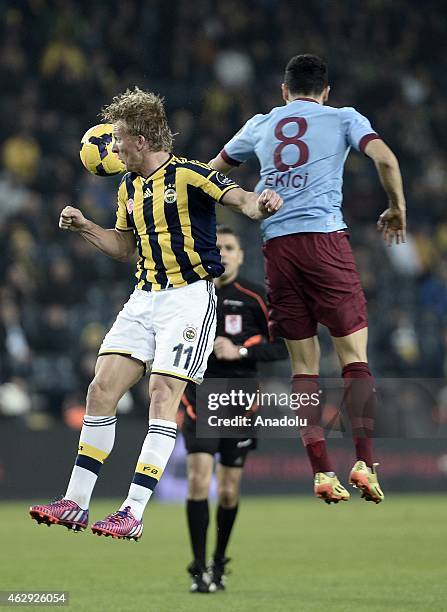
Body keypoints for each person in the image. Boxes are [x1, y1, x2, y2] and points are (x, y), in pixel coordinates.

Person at [29, 87, 282, 540]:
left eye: (120, 139)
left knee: (161, 393)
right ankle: (75, 502)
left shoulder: (190, 174)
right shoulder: (127, 187)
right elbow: (125, 247)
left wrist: (258, 203)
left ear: (142, 140)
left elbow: (238, 198)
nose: (113, 148)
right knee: (100, 389)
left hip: (188, 298)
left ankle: (132, 510)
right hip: (144, 296)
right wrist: (87, 227)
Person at [209, 54, 406, 504]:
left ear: (284, 91)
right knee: (354, 357)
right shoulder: (343, 118)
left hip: (277, 248)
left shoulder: (259, 124)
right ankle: (363, 461)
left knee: (304, 368)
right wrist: (397, 207)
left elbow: (210, 173)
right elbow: (387, 160)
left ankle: (320, 470)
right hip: (324, 242)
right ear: (326, 92)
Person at [182, 225, 287, 592]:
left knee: (228, 490)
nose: (223, 253)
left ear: (241, 255)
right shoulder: (190, 293)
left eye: (229, 247)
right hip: (198, 390)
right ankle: (198, 569)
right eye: (217, 247)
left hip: (241, 398)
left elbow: (282, 348)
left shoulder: (256, 297)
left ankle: (218, 562)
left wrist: (239, 350)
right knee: (198, 478)